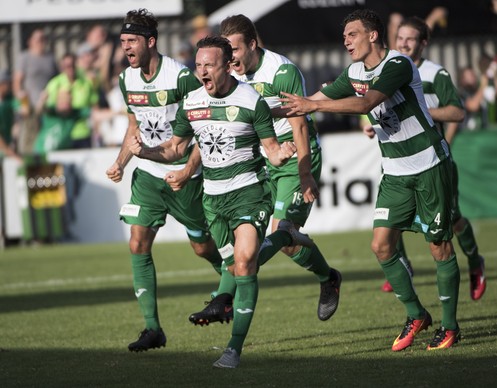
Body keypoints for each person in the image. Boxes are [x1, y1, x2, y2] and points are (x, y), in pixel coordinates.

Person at [281, 9, 461, 351]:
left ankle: (450, 327)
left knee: (438, 246)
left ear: (373, 35)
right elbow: (319, 99)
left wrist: (310, 105)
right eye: (345, 36)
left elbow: (365, 102)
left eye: (352, 34)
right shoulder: (354, 72)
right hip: (395, 170)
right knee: (381, 246)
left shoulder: (398, 64)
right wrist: (266, 110)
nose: (346, 41)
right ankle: (417, 315)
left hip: (428, 165)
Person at [128, 35, 301, 368]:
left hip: (250, 192)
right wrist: (144, 152)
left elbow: (272, 151)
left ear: (228, 66)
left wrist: (283, 153)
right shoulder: (192, 103)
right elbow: (177, 149)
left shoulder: (252, 101)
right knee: (234, 266)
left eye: (210, 65)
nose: (203, 71)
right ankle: (284, 237)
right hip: (212, 199)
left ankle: (233, 349)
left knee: (246, 259)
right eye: (199, 65)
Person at [186, 13, 342, 325]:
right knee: (270, 241)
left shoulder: (281, 71)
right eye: (226, 53)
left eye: (236, 51)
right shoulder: (226, 76)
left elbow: (299, 123)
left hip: (295, 156)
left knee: (279, 233)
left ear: (253, 45)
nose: (231, 59)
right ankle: (329, 277)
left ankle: (224, 296)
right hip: (260, 161)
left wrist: (305, 173)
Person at [105, 8, 224, 353]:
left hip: (183, 177)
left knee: (202, 247)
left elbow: (203, 128)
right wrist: (121, 163)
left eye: (132, 41)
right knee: (137, 242)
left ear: (150, 41)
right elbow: (134, 128)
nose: (126, 47)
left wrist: (187, 171)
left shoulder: (181, 77)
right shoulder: (126, 79)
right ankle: (153, 328)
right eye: (123, 41)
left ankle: (230, 286)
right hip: (148, 176)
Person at [373, 16, 485, 301]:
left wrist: (420, 110)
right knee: (390, 224)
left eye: (410, 39)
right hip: (400, 161)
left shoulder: (436, 74)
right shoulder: (386, 71)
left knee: (453, 220)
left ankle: (474, 261)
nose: (403, 43)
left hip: (433, 161)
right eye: (400, 38)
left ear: (423, 43)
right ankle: (404, 267)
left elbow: (458, 112)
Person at [35, 52, 99, 152]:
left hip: (82, 133)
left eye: (73, 65)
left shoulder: (86, 82)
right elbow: (47, 109)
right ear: (62, 67)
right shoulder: (55, 83)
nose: (70, 69)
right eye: (67, 66)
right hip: (62, 136)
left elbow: (94, 107)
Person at [12, 28, 58, 155]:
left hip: (47, 106)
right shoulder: (24, 57)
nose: (41, 42)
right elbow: (17, 83)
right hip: (30, 107)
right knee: (29, 141)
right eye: (38, 39)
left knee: (45, 139)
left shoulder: (50, 58)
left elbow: (56, 80)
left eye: (43, 39)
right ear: (30, 41)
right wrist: (22, 103)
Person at [0, 69, 20, 160]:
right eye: (9, 83)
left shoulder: (9, 99)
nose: (11, 85)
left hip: (7, 148)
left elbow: (24, 110)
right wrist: (10, 152)